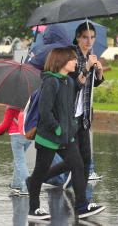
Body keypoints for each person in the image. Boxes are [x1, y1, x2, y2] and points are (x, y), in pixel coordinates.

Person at [26, 47, 105, 221]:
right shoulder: (51, 82)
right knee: (40, 172)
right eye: (73, 59)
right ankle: (33, 209)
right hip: (49, 137)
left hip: (66, 136)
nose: (76, 62)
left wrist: (90, 68)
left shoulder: (67, 81)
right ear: (61, 61)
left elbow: (79, 84)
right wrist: (57, 128)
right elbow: (45, 111)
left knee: (78, 166)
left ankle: (82, 206)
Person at [45, 22, 104, 187]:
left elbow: (91, 84)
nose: (89, 41)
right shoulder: (70, 57)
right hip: (68, 114)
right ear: (77, 38)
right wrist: (86, 67)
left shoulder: (90, 56)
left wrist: (99, 72)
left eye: (92, 37)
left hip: (84, 114)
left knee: (85, 157)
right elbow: (73, 85)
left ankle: (80, 193)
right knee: (74, 158)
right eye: (85, 37)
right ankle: (43, 177)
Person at [0, 106, 30, 196]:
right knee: (19, 161)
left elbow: (5, 124)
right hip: (29, 135)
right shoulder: (29, 104)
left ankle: (28, 186)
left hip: (17, 136)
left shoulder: (11, 108)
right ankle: (16, 184)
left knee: (20, 161)